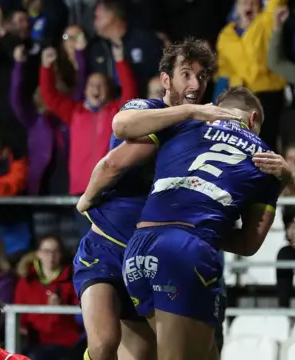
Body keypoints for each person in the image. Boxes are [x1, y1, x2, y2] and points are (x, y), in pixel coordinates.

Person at [73, 38, 245, 360]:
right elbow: (118, 137)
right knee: (103, 344)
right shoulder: (148, 110)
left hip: (156, 260)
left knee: (148, 355)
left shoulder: (204, 135)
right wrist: (87, 198)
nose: (195, 83)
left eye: (202, 76)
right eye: (186, 74)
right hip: (109, 247)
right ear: (166, 80)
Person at [114, 86, 288, 360]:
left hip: (137, 248)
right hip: (185, 250)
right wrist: (281, 183)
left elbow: (120, 133)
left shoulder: (181, 125)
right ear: (253, 119)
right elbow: (248, 243)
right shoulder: (267, 161)